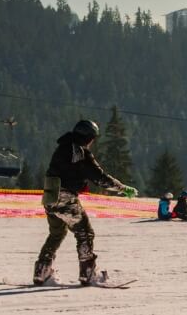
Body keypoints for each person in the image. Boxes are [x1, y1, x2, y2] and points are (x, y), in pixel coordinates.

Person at [34, 118, 134, 285]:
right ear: (88, 137)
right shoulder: (80, 152)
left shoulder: (62, 147)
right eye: (93, 138)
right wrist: (122, 188)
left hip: (50, 197)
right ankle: (88, 273)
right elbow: (99, 177)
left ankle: (41, 272)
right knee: (85, 233)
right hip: (65, 198)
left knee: (56, 233)